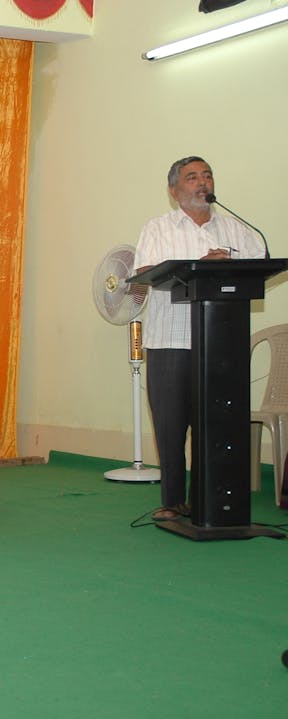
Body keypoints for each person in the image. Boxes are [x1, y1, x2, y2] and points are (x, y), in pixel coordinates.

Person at [133, 156, 266, 522]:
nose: (202, 182)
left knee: (215, 424)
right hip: (170, 340)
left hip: (221, 344)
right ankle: (172, 501)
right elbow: (145, 273)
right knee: (171, 426)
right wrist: (201, 265)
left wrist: (228, 266)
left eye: (207, 175)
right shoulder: (158, 228)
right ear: (174, 190)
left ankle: (208, 500)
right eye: (192, 177)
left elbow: (259, 265)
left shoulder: (237, 229)